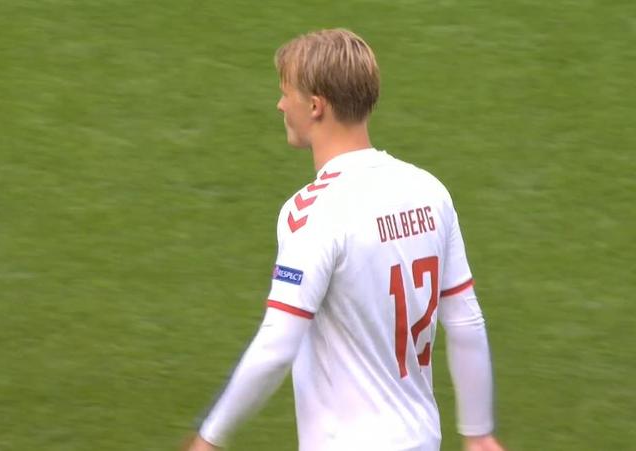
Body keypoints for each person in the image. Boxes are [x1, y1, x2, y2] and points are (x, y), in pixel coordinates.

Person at [187, 28, 504, 451]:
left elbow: (277, 343)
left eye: (286, 93)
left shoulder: (312, 212)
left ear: (315, 106)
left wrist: (210, 436)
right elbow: (465, 321)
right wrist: (478, 432)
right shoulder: (430, 192)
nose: (280, 104)